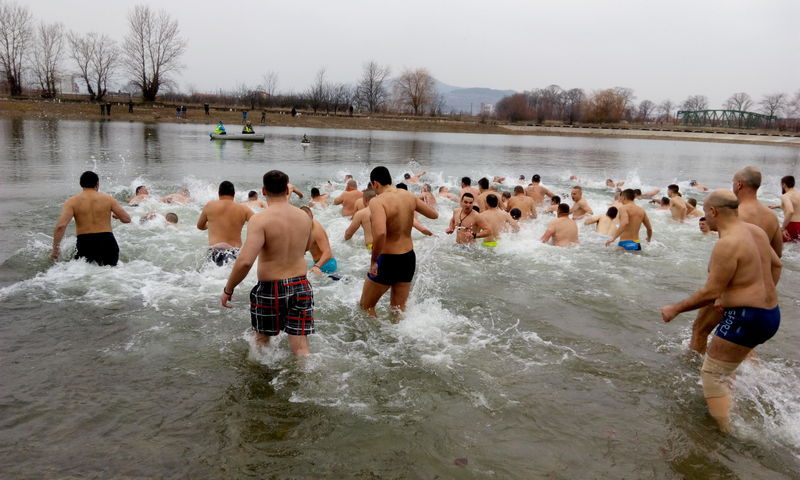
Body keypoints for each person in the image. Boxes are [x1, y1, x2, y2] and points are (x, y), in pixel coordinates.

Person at [661, 190, 781, 433]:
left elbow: (710, 292)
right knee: (726, 369)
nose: (705, 218)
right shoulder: (756, 232)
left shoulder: (726, 244)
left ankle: (731, 434)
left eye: (706, 214)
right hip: (771, 314)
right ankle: (743, 402)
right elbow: (777, 263)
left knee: (712, 375)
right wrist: (759, 292)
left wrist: (675, 309)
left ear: (714, 212)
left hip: (746, 317)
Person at [221, 170, 315, 356]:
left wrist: (228, 289)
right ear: (287, 190)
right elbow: (307, 247)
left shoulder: (260, 220)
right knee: (302, 347)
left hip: (271, 287)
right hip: (301, 285)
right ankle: (306, 378)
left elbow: (245, 262)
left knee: (262, 341)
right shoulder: (304, 217)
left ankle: (261, 379)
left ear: (263, 190)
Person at [359, 166, 438, 317]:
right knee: (398, 309)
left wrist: (374, 260)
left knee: (366, 306)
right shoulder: (407, 195)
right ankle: (400, 339)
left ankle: (374, 340)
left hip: (388, 259)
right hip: (408, 258)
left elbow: (381, 233)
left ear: (375, 183)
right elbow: (434, 215)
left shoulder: (377, 202)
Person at [50, 171, 131, 266]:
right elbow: (126, 219)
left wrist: (55, 250)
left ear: (81, 184)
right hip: (108, 242)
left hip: (85, 243)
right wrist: (117, 217)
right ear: (97, 184)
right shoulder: (109, 199)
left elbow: (61, 226)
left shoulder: (72, 202)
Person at [197, 181, 254, 266]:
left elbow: (200, 226)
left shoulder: (210, 206)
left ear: (219, 193)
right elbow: (259, 222)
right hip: (233, 251)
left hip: (214, 250)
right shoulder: (243, 209)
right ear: (234, 194)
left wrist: (210, 225)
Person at [301, 207, 337, 275]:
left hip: (326, 264)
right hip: (318, 263)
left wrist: (317, 266)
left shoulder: (316, 231)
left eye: (309, 220)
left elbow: (327, 252)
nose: (307, 222)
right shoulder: (305, 227)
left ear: (312, 217)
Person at [773, 175, 800, 242]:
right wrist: (777, 206)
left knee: (775, 243)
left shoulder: (785, 196)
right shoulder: (798, 193)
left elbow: (790, 211)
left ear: (784, 184)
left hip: (793, 225)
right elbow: (796, 206)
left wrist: (783, 228)